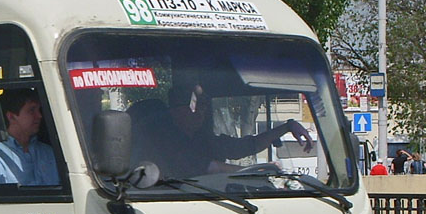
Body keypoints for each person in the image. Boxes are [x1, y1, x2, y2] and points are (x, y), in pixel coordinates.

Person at [132, 78, 313, 180]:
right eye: (197, 105)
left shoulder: (202, 139)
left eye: (205, 105)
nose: (203, 111)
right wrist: (257, 172)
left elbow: (247, 146)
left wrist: (287, 126)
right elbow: (210, 167)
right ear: (177, 110)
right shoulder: (163, 141)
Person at [0, 88, 59, 186]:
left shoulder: (48, 153)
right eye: (31, 110)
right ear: (11, 117)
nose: (39, 116)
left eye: (39, 110)